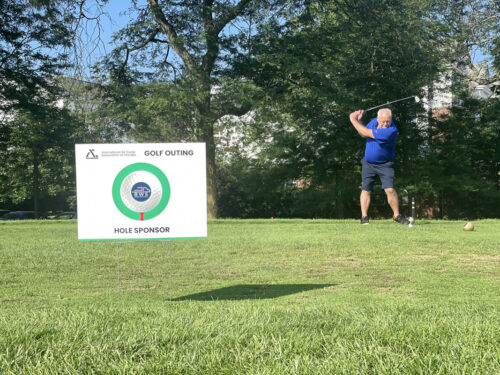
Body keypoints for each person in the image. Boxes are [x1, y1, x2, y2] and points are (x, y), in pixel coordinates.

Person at [349, 108, 409, 225]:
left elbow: (366, 133)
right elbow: (363, 132)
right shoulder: (374, 123)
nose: (385, 124)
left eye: (388, 121)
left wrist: (352, 118)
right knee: (366, 189)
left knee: (389, 189)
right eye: (383, 121)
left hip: (385, 164)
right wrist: (359, 121)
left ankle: (396, 215)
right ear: (378, 119)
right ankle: (364, 217)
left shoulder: (391, 131)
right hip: (368, 163)